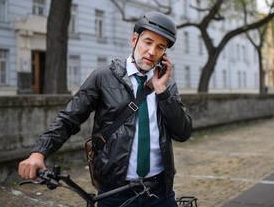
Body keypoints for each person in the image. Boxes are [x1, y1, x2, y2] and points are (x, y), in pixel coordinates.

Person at [18, 11, 193, 207]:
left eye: (160, 47)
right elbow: (69, 118)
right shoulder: (103, 77)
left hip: (160, 191)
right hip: (115, 192)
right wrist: (38, 153)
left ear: (164, 54)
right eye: (148, 42)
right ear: (134, 39)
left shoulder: (166, 85)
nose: (152, 51)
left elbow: (183, 133)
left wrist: (162, 92)